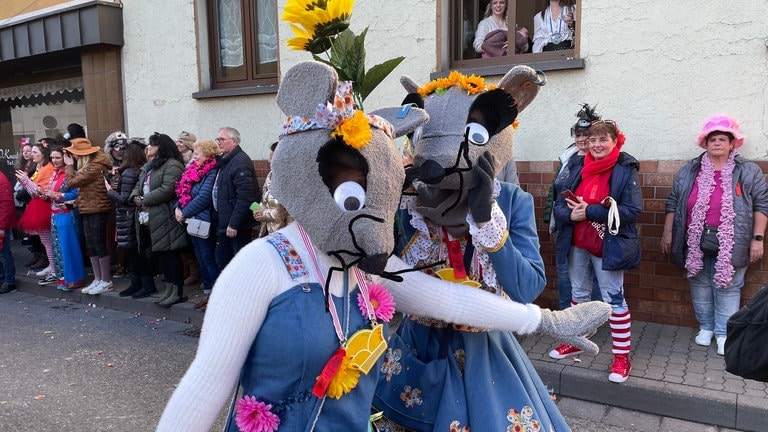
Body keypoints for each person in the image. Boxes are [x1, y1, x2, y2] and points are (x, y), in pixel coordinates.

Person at [155, 61, 610, 432]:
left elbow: (449, 298)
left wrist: (546, 318)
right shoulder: (262, 266)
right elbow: (204, 389)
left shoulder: (364, 266)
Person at [661, 114, 768, 356]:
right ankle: (706, 327)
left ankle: (723, 333)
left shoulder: (748, 170)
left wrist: (757, 238)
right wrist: (668, 233)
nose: (717, 143)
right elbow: (674, 202)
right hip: (694, 238)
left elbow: (762, 205)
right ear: (705, 143)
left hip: (734, 239)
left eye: (722, 139)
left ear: (733, 144)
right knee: (698, 281)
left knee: (728, 286)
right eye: (712, 139)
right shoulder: (690, 170)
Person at [550, 118, 641, 384]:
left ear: (615, 141)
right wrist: (572, 215)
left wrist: (589, 211)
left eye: (603, 139)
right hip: (577, 241)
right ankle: (578, 341)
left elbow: (633, 211)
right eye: (592, 139)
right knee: (579, 295)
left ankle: (622, 357)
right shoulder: (577, 165)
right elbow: (558, 205)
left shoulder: (625, 168)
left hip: (608, 244)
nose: (597, 144)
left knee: (614, 300)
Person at [544, 103, 602, 309]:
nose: (580, 139)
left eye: (586, 134)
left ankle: (591, 322)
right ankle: (567, 321)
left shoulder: (603, 162)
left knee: (593, 280)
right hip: (567, 229)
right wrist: (563, 217)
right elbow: (558, 195)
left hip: (594, 231)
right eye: (577, 134)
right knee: (566, 278)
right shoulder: (568, 159)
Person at [131, 133, 188, 307]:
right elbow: (138, 185)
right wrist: (135, 196)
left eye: (151, 145)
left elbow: (168, 189)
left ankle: (177, 291)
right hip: (153, 217)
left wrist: (144, 200)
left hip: (166, 216)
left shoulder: (173, 165)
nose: (148, 147)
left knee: (171, 255)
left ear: (160, 147)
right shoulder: (151, 166)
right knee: (162, 255)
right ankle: (168, 289)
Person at [63, 137, 114, 295]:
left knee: (98, 244)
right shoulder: (88, 167)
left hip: (98, 209)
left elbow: (71, 182)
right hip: (87, 208)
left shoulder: (94, 167)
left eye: (74, 154)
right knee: (91, 245)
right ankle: (98, 279)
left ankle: (106, 280)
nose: (73, 157)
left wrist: (69, 166)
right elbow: (86, 189)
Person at [175, 139, 220, 310]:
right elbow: (182, 190)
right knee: (200, 257)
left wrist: (184, 212)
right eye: (193, 154)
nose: (194, 157)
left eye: (197, 154)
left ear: (208, 154)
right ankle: (207, 291)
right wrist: (177, 208)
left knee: (208, 258)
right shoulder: (193, 169)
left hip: (203, 220)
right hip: (192, 220)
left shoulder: (211, 171)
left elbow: (204, 197)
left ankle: (214, 294)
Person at [106, 141, 154, 299]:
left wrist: (109, 191)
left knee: (134, 253)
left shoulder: (128, 172)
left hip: (128, 216)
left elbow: (124, 198)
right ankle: (138, 283)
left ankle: (143, 284)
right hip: (133, 215)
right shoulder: (139, 170)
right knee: (136, 252)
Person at [212, 126, 259, 270]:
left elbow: (246, 197)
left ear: (234, 141)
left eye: (222, 139)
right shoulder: (226, 160)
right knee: (222, 260)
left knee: (237, 263)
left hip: (235, 225)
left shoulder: (240, 161)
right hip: (225, 221)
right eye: (217, 139)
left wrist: (234, 223)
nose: (218, 142)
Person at [39, 146, 85, 290]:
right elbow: (53, 193)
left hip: (67, 214)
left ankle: (75, 279)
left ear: (66, 158)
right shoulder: (54, 173)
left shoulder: (71, 174)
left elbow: (77, 194)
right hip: (55, 214)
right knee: (58, 249)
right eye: (52, 158)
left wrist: (57, 195)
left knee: (68, 247)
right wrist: (47, 195)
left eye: (58, 157)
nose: (55, 160)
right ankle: (63, 279)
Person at [16, 142, 55, 282]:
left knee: (48, 240)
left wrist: (26, 181)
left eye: (34, 152)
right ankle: (52, 265)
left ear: (43, 154)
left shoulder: (47, 168)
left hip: (45, 207)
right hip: (38, 205)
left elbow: (40, 191)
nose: (31, 155)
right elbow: (34, 192)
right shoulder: (40, 168)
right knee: (45, 240)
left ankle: (54, 268)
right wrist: (25, 182)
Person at [254, 141, 292, 237]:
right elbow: (264, 200)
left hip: (286, 233)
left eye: (272, 157)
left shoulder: (290, 179)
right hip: (270, 232)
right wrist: (257, 210)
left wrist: (265, 214)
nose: (269, 161)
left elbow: (288, 210)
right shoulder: (270, 175)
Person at [0, 171, 18, 295]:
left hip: (1, 223)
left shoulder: (2, 180)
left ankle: (9, 281)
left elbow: (6, 204)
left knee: (3, 253)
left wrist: (2, 226)